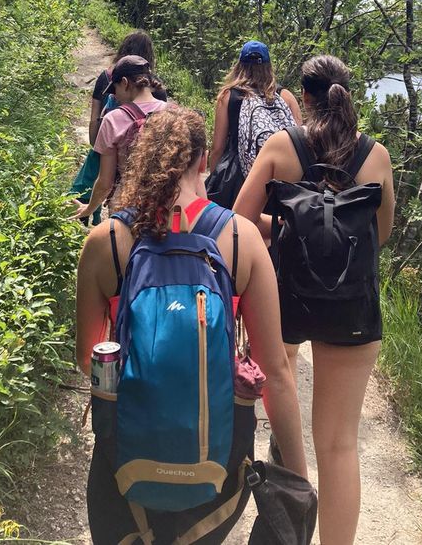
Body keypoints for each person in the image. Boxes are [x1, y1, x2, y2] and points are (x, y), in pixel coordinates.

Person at [76, 107, 308, 544]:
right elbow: (275, 371)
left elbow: (87, 356)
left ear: (141, 160)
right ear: (203, 161)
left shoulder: (105, 241)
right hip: (215, 465)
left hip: (123, 463)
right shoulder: (241, 239)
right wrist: (297, 479)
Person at [234, 55, 395, 545]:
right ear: (348, 95)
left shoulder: (282, 147)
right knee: (340, 444)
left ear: (302, 99)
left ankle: (287, 516)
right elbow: (378, 236)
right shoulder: (377, 157)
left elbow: (238, 221)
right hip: (351, 306)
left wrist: (285, 227)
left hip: (288, 299)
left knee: (284, 403)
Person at [72, 55, 169, 223]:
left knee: (124, 249)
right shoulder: (174, 113)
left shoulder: (114, 119)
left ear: (124, 82)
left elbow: (105, 182)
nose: (114, 96)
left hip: (126, 205)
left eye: (115, 89)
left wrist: (89, 208)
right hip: (165, 204)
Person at [209, 40, 303, 176]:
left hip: (239, 174)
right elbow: (298, 139)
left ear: (239, 65)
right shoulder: (285, 96)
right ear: (268, 66)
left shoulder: (228, 96)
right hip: (278, 173)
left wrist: (214, 178)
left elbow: (218, 147)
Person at [89, 30, 163, 145]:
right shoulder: (156, 86)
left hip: (107, 146)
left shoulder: (106, 77)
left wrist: (95, 147)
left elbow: (94, 119)